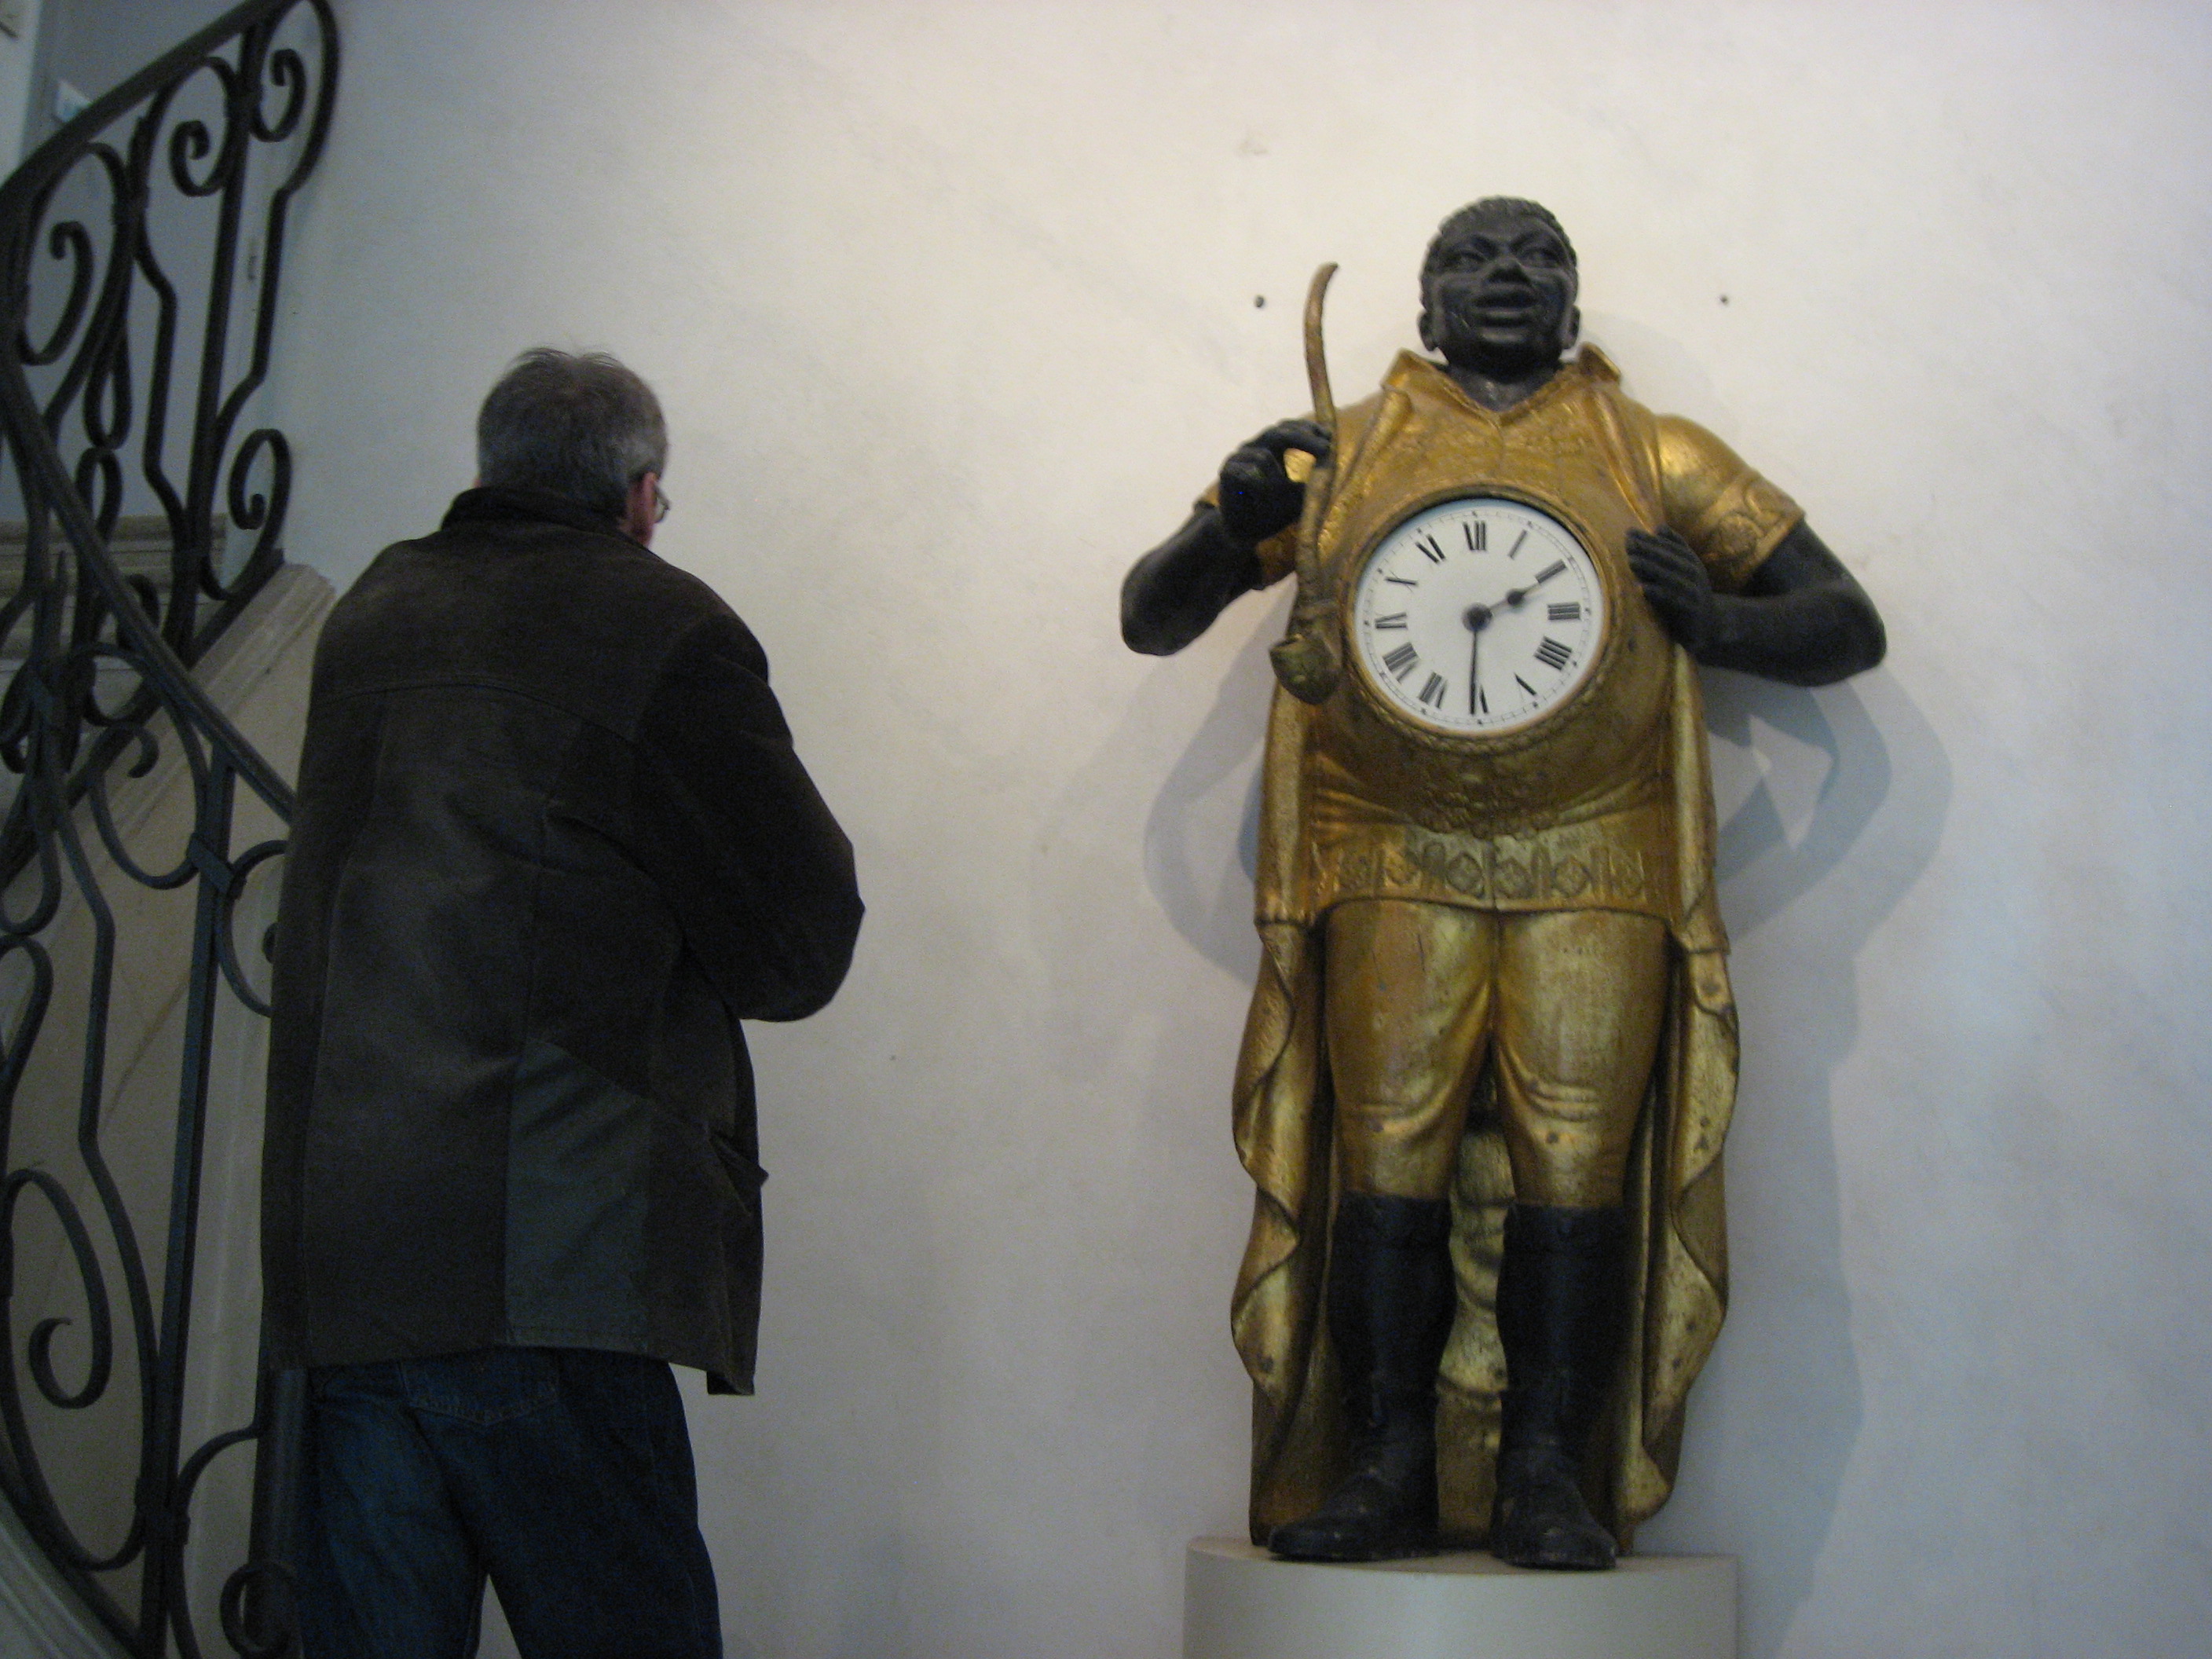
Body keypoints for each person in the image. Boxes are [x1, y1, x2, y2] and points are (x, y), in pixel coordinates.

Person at [1122, 200, 1884, 1569]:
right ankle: (1386, 1464)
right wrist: (1231, 521)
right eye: (1471, 259)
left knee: (1578, 1169)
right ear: (1425, 309)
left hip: (1601, 855)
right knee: (1385, 1160)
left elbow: (1846, 624)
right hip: (1388, 850)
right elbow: (1151, 613)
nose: (1510, 275)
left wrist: (1716, 621)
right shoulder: (1341, 450)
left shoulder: (1658, 454)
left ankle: (1546, 1471)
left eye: (1541, 258)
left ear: (1574, 303)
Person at [262, 349, 863, 1656]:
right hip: (549, 1253)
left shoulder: (373, 613)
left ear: (494, 468)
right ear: (640, 494)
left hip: (347, 1253)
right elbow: (802, 942)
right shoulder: (663, 628)